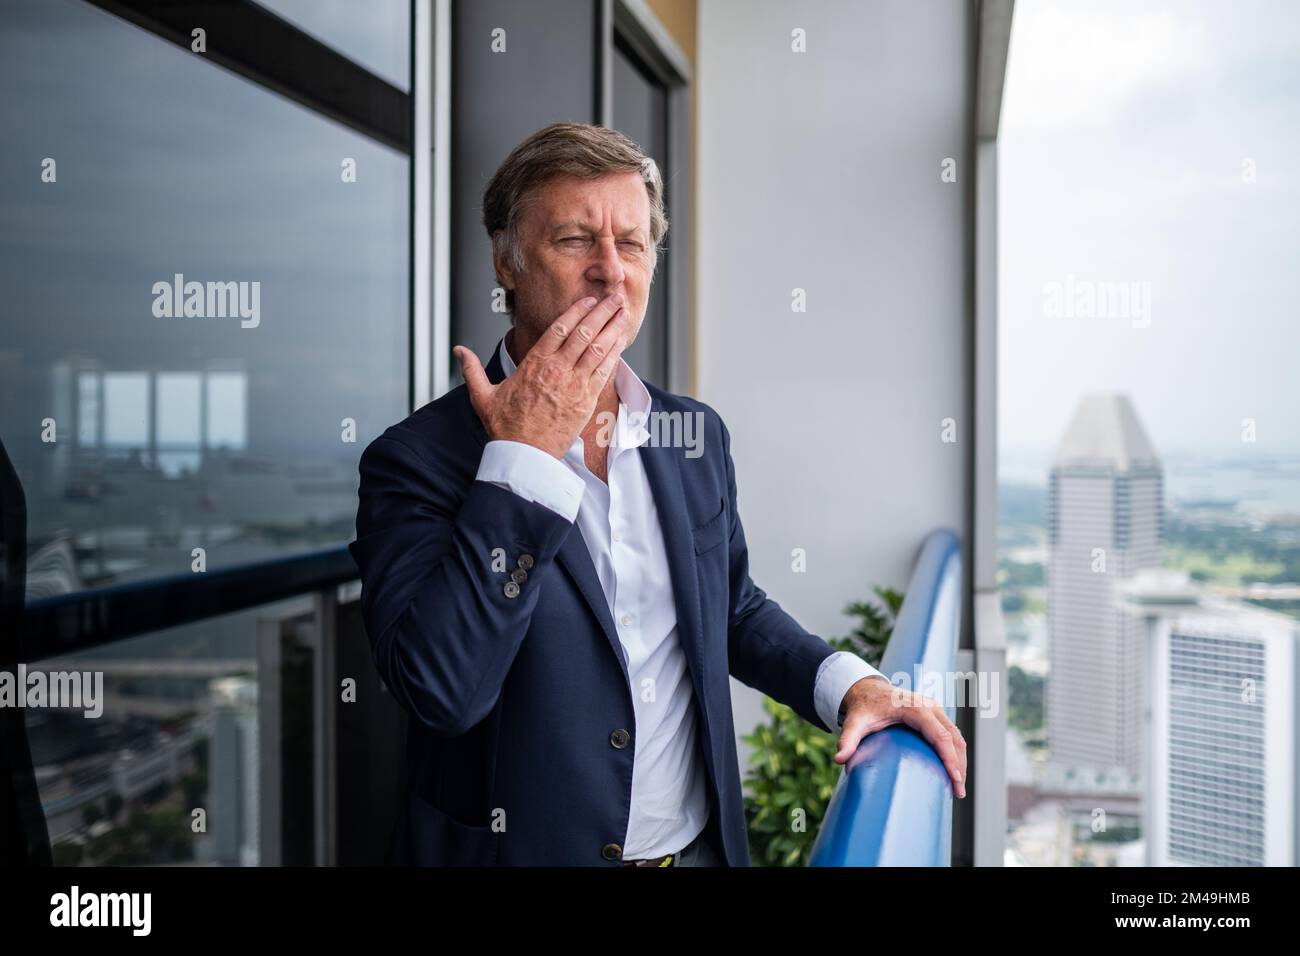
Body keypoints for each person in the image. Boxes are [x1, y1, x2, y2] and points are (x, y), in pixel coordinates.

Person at [348, 122, 966, 866]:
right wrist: (523, 459)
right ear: (505, 262)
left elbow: (731, 606)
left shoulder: (693, 434)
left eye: (633, 244)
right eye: (576, 240)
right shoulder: (414, 459)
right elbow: (439, 690)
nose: (611, 272)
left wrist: (850, 685)